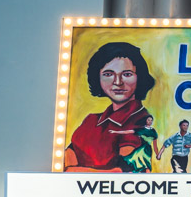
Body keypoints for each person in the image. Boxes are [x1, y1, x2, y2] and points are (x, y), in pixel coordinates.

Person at [64, 42, 156, 172]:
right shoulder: (91, 121)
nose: (118, 82)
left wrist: (72, 171)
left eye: (127, 74)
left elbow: (126, 174)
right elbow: (68, 155)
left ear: (139, 77)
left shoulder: (140, 123)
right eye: (108, 74)